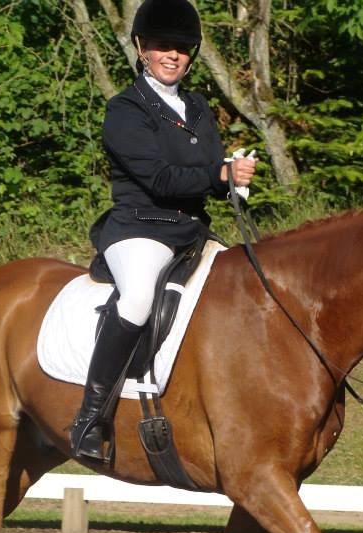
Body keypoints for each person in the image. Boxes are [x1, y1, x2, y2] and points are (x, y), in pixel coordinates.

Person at [70, 0, 257, 461]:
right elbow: (158, 179)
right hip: (139, 228)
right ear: (140, 48)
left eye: (181, 48)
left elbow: (211, 174)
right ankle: (89, 419)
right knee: (136, 299)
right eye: (161, 47)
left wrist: (234, 179)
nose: (172, 56)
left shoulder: (197, 108)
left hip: (193, 232)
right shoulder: (125, 110)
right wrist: (219, 176)